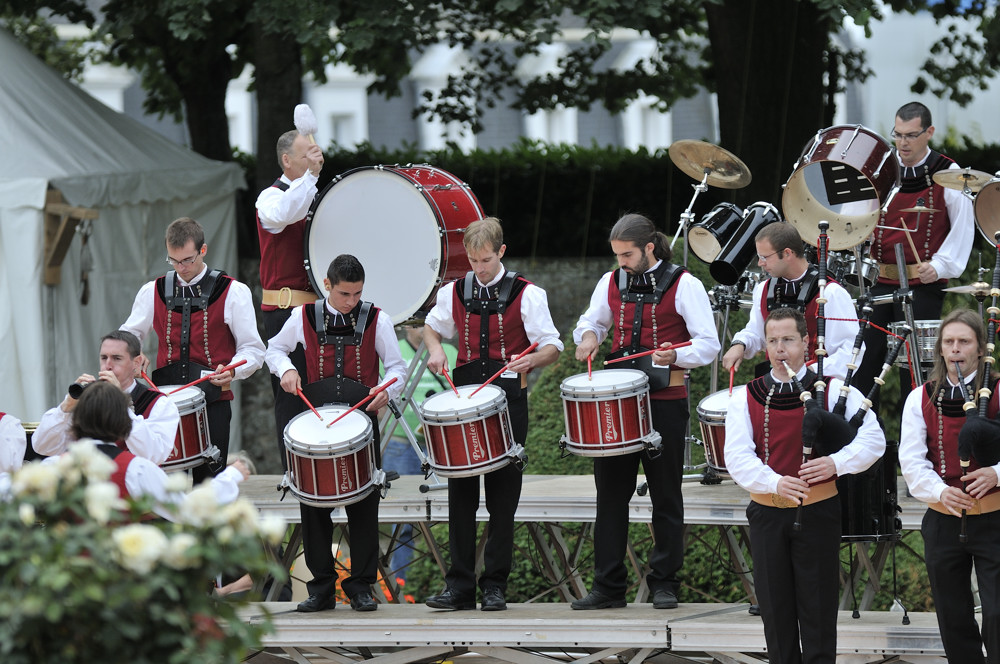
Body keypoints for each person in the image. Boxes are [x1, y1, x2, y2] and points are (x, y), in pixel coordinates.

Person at [572, 213, 720, 610]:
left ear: (649, 247)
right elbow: (593, 322)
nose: (620, 261)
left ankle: (665, 584)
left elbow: (709, 344)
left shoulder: (684, 283)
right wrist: (588, 337)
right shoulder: (610, 281)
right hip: (618, 404)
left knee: (666, 496)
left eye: (627, 254)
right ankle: (607, 587)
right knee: (610, 497)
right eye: (617, 254)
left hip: (665, 402)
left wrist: (677, 354)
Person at [725, 308, 885, 664]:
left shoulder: (832, 392)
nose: (780, 349)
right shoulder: (745, 397)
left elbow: (873, 440)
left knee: (818, 612)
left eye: (788, 340)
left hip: (818, 513)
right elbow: (737, 457)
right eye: (773, 341)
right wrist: (776, 482)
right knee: (775, 615)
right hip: (767, 513)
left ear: (807, 343)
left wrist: (835, 463)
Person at [422, 217, 563, 612]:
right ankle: (460, 587)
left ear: (501, 252)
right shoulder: (455, 291)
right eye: (472, 260)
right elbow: (432, 328)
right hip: (466, 401)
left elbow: (553, 346)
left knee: (503, 500)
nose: (478, 268)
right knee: (460, 497)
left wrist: (532, 360)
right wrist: (435, 348)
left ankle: (495, 586)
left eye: (485, 260)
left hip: (508, 400)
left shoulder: (528, 294)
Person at [265, 254, 406, 613]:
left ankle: (360, 586)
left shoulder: (379, 318)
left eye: (358, 294)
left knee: (364, 505)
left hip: (361, 422)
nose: (353, 301)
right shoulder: (304, 316)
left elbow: (397, 367)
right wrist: (285, 370)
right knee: (312, 506)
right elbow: (274, 349)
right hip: (316, 425)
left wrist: (387, 391)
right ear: (327, 286)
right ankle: (321, 589)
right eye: (345, 294)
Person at [121, 217, 264, 482]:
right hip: (164, 403)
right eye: (174, 261)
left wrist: (232, 371)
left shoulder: (233, 291)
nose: (181, 267)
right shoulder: (153, 290)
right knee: (161, 482)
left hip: (213, 402)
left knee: (208, 486)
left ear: (203, 250)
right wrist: (135, 355)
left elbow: (254, 350)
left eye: (187, 259)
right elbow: (129, 334)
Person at [854, 101, 975, 403]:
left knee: (917, 371)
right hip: (880, 282)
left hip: (922, 284)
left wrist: (942, 265)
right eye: (898, 135)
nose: (903, 142)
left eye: (910, 135)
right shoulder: (883, 168)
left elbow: (963, 226)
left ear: (929, 132)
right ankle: (865, 442)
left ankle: (921, 441)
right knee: (864, 367)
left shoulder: (948, 172)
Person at [899, 309, 1000, 664]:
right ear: (939, 349)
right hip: (943, 519)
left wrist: (997, 474)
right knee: (953, 618)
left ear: (980, 347)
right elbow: (911, 462)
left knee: (999, 615)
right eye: (949, 342)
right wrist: (941, 491)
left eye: (964, 341)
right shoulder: (920, 397)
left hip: (994, 518)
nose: (955, 349)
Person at [67, 381, 250, 520]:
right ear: (122, 421)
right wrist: (231, 476)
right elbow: (185, 511)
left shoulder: (56, 466)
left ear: (77, 418)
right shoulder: (137, 470)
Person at [256, 130, 324, 470]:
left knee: (323, 393)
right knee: (290, 395)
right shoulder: (270, 197)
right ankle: (294, 472)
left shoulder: (312, 195)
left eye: (315, 154)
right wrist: (311, 177)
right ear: (287, 160)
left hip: (317, 310)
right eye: (305, 155)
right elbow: (283, 214)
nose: (315, 159)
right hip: (284, 310)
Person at [722, 222, 862, 379]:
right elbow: (757, 333)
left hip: (818, 388)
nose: (760, 263)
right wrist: (740, 344)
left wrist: (811, 373)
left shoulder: (830, 292)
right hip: (776, 385)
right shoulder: (763, 289)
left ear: (787, 253)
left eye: (764, 257)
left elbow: (851, 350)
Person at [33, 331, 179, 465]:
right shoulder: (89, 397)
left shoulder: (159, 403)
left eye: (116, 358)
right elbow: (42, 446)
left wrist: (121, 403)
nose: (107, 366)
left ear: (136, 363)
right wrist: (67, 406)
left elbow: (154, 454)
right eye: (104, 358)